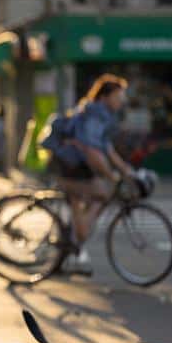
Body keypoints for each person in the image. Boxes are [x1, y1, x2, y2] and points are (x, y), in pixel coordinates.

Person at [47, 74, 136, 275]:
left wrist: (126, 171)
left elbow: (107, 149)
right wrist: (112, 176)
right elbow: (91, 150)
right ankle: (76, 243)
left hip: (76, 168)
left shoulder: (100, 115)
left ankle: (72, 249)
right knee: (103, 194)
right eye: (118, 96)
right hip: (69, 169)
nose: (121, 101)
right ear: (105, 97)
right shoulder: (96, 115)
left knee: (91, 198)